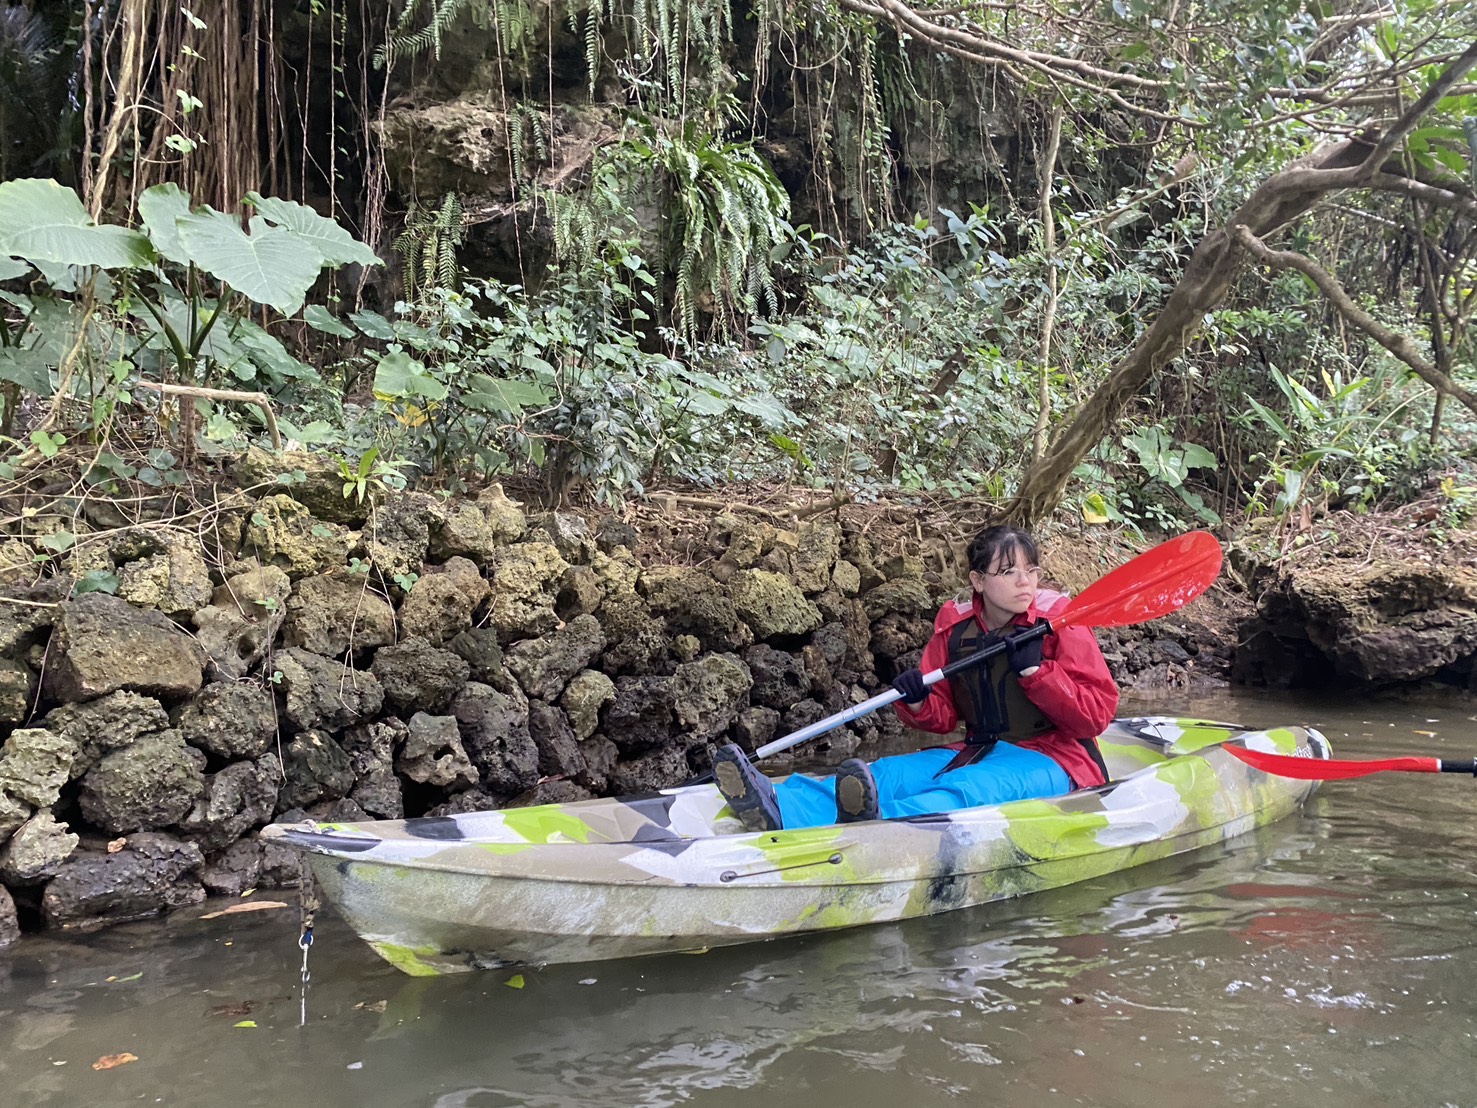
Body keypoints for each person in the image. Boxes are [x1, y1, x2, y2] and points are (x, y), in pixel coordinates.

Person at [712, 524, 1120, 832]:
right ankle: (780, 803)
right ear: (978, 581)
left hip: (1057, 759)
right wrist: (917, 700)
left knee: (966, 790)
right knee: (886, 774)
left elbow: (1097, 716)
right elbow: (942, 716)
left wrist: (1038, 672)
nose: (1024, 582)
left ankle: (873, 825)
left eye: (1030, 571)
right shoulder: (956, 630)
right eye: (1008, 571)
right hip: (980, 746)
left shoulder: (1060, 625)